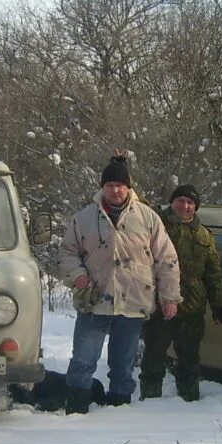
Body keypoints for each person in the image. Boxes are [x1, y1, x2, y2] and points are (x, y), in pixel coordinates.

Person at [58, 155, 182, 414]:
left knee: (123, 366)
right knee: (82, 360)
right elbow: (68, 252)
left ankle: (119, 410)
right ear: (102, 187)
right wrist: (77, 275)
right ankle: (76, 408)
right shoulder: (84, 218)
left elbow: (166, 259)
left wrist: (170, 298)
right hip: (94, 301)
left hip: (133, 302)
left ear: (129, 187)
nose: (116, 190)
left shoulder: (148, 218)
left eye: (120, 185)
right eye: (110, 184)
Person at [139, 184, 222, 402]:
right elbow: (139, 206)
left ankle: (189, 402)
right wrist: (123, 172)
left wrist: (219, 305)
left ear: (196, 207)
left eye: (190, 203)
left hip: (192, 309)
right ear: (172, 203)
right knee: (154, 356)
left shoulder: (204, 235)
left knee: (189, 358)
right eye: (180, 201)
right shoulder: (158, 224)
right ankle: (149, 402)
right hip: (160, 306)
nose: (185, 206)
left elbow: (213, 274)